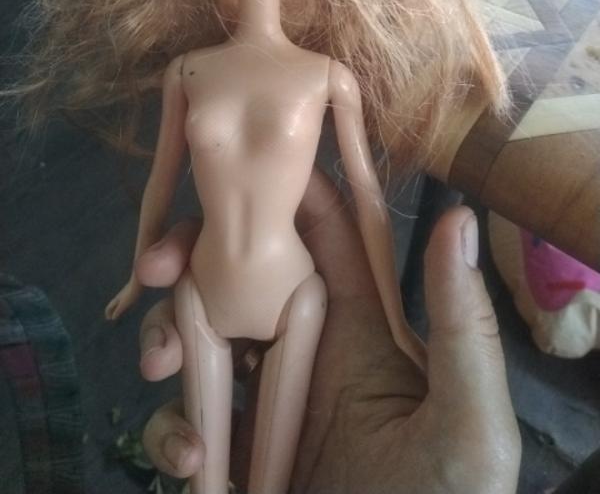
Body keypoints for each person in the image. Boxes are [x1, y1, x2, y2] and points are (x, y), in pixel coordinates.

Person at [136, 168, 521, 494]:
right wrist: (136, 275)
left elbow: (368, 197)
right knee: (202, 467)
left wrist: (395, 323)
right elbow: (160, 179)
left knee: (256, 473)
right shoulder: (186, 93)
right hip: (208, 280)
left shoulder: (323, 98)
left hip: (290, 290)